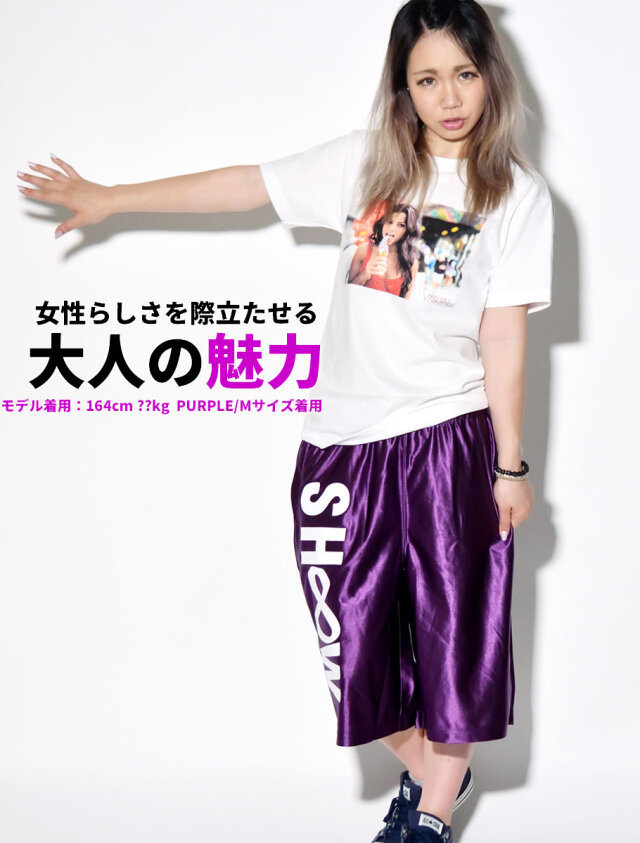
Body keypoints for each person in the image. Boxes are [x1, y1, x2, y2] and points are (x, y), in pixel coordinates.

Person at [16, 0, 554, 840]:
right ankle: (437, 776)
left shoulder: (515, 193)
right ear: (402, 88)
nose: (448, 97)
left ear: (491, 77)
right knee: (354, 652)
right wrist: (114, 198)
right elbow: (248, 186)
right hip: (339, 448)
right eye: (426, 79)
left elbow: (504, 335)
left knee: (453, 643)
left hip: (446, 439)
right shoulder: (368, 164)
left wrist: (510, 464)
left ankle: (429, 818)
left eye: (464, 74)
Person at [348, 204, 420, 298]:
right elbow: (347, 291)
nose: (392, 228)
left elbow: (405, 301)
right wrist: (365, 274)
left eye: (401, 225)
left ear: (408, 231)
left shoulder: (411, 263)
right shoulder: (363, 250)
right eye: (389, 222)